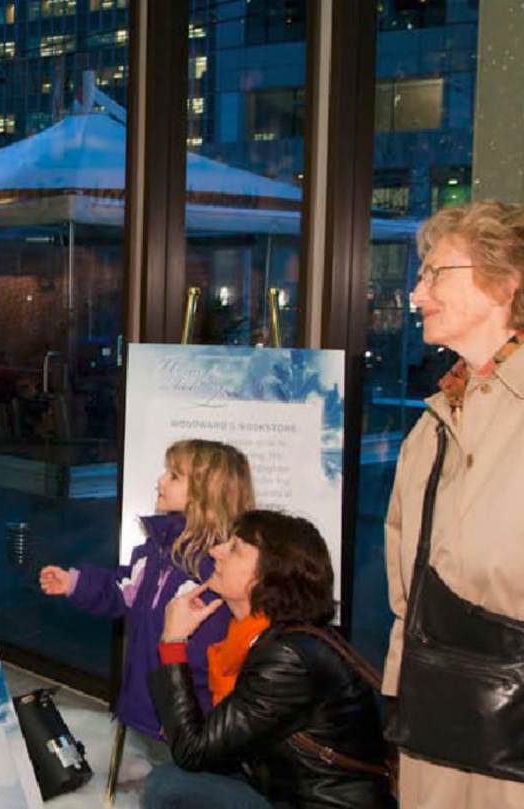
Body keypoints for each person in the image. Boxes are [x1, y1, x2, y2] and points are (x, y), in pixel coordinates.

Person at [383, 200, 524, 807]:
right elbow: (405, 591)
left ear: (504, 284)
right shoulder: (431, 427)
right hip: (436, 724)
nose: (417, 294)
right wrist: (399, 696)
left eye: (436, 273)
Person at [145, 510, 393, 809]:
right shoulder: (260, 638)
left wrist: (173, 642)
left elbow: (193, 751)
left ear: (268, 576)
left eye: (235, 549)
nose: (215, 551)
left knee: (169, 786)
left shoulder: (288, 657)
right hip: (280, 787)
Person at [39, 439, 254, 744]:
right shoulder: (157, 549)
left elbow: (214, 659)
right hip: (145, 702)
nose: (160, 480)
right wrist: (74, 583)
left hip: (184, 717)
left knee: (171, 787)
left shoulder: (215, 572)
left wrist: (190, 716)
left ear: (206, 494)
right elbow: (126, 591)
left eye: (174, 476)